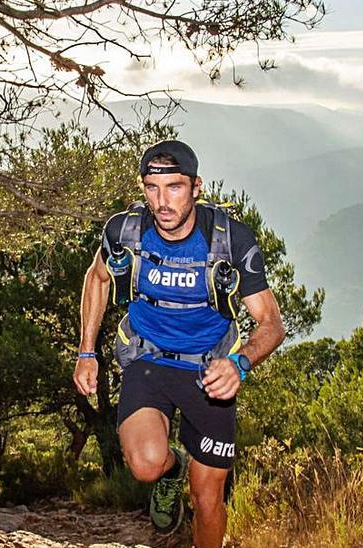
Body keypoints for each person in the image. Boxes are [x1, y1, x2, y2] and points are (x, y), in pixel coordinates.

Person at [73, 140, 286, 548]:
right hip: (147, 358)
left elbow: (271, 323)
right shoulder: (125, 231)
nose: (162, 201)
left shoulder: (229, 240)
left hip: (209, 371)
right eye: (152, 188)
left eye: (174, 187)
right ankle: (170, 473)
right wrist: (87, 352)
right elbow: (96, 278)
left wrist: (239, 364)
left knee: (207, 500)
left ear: (196, 187)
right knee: (146, 465)